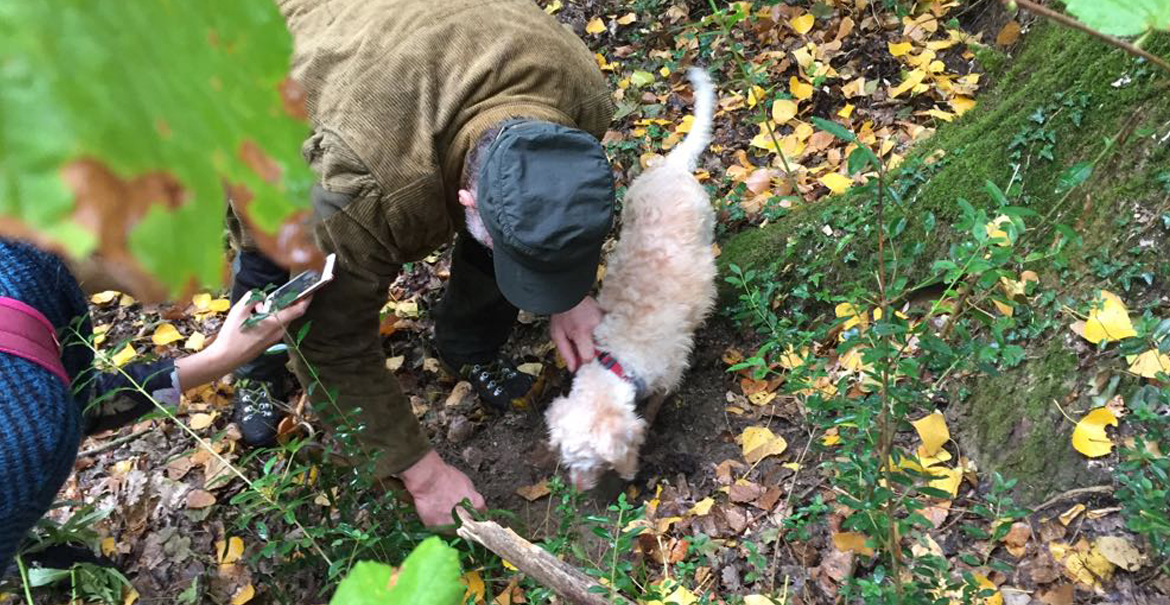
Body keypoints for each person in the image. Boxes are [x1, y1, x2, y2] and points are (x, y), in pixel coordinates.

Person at [226, 0, 617, 527]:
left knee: (507, 231)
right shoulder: (359, 188)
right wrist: (421, 473)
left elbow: (539, 198)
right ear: (466, 200)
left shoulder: (578, 91)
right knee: (274, 258)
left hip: (413, 38)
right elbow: (333, 344)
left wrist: (567, 291)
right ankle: (256, 369)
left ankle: (466, 345)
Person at [0, 238, 310, 569]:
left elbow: (76, 403)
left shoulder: (21, 268)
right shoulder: (32, 438)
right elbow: (53, 411)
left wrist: (217, 360)